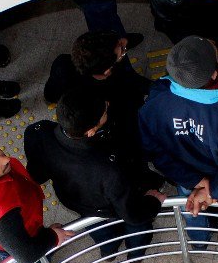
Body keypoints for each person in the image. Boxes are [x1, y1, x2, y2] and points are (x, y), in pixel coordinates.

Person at [138, 35, 218, 261]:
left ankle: (198, 242)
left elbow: (154, 149)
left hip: (186, 176)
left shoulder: (157, 97)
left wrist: (197, 182)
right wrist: (213, 191)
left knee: (191, 209)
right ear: (215, 74)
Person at [25, 87, 166, 263]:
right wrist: (153, 201)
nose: (107, 105)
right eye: (104, 111)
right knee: (137, 226)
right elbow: (131, 214)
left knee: (97, 228)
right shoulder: (108, 169)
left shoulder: (38, 132)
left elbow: (37, 175)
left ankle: (109, 251)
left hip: (77, 202)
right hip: (113, 202)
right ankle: (135, 254)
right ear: (90, 132)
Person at [43, 31, 153, 166]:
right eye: (122, 50)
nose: (124, 45)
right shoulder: (110, 93)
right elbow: (130, 83)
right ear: (107, 71)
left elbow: (49, 94)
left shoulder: (63, 63)